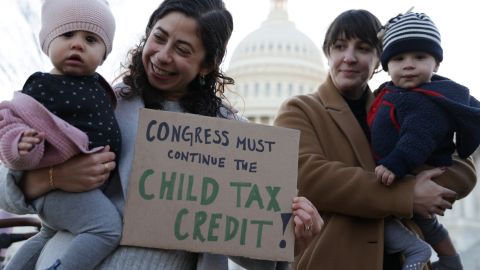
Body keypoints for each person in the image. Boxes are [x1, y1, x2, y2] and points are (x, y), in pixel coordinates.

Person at [0, 0, 323, 269]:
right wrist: (54, 177)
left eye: (182, 49)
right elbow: (7, 184)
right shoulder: (100, 100)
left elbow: (244, 245)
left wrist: (290, 237)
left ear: (207, 64)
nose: (162, 55)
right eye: (159, 37)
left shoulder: (235, 142)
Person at [273, 9, 476, 270]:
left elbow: (463, 169)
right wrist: (407, 193)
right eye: (339, 46)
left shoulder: (404, 103)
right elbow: (307, 176)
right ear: (327, 54)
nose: (349, 57)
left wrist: (410, 173)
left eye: (363, 48)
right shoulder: (300, 109)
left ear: (379, 59)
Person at [0, 0, 122, 269]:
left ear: (103, 55)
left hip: (79, 193)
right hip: (59, 190)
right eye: (67, 35)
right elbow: (9, 120)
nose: (78, 44)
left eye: (91, 39)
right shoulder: (43, 86)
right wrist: (19, 144)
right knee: (107, 228)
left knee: (47, 234)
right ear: (48, 42)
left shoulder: (101, 87)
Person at [369, 11, 480, 270]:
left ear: (437, 64)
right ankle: (451, 261)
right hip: (409, 178)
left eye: (419, 57)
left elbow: (417, 139)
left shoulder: (425, 102)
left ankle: (416, 250)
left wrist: (395, 165)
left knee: (389, 218)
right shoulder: (392, 93)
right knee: (429, 223)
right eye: (398, 58)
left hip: (403, 171)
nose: (408, 64)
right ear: (386, 66)